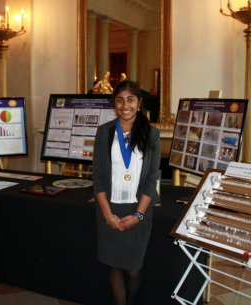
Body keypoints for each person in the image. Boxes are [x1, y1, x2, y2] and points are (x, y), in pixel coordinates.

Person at [92, 80, 161, 305]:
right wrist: (108, 216)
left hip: (138, 210)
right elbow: (99, 178)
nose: (125, 105)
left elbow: (152, 179)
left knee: (132, 271)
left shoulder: (152, 133)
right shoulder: (104, 133)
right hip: (109, 210)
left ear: (139, 102)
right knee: (113, 267)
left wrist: (139, 215)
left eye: (130, 99)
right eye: (120, 100)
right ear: (114, 103)